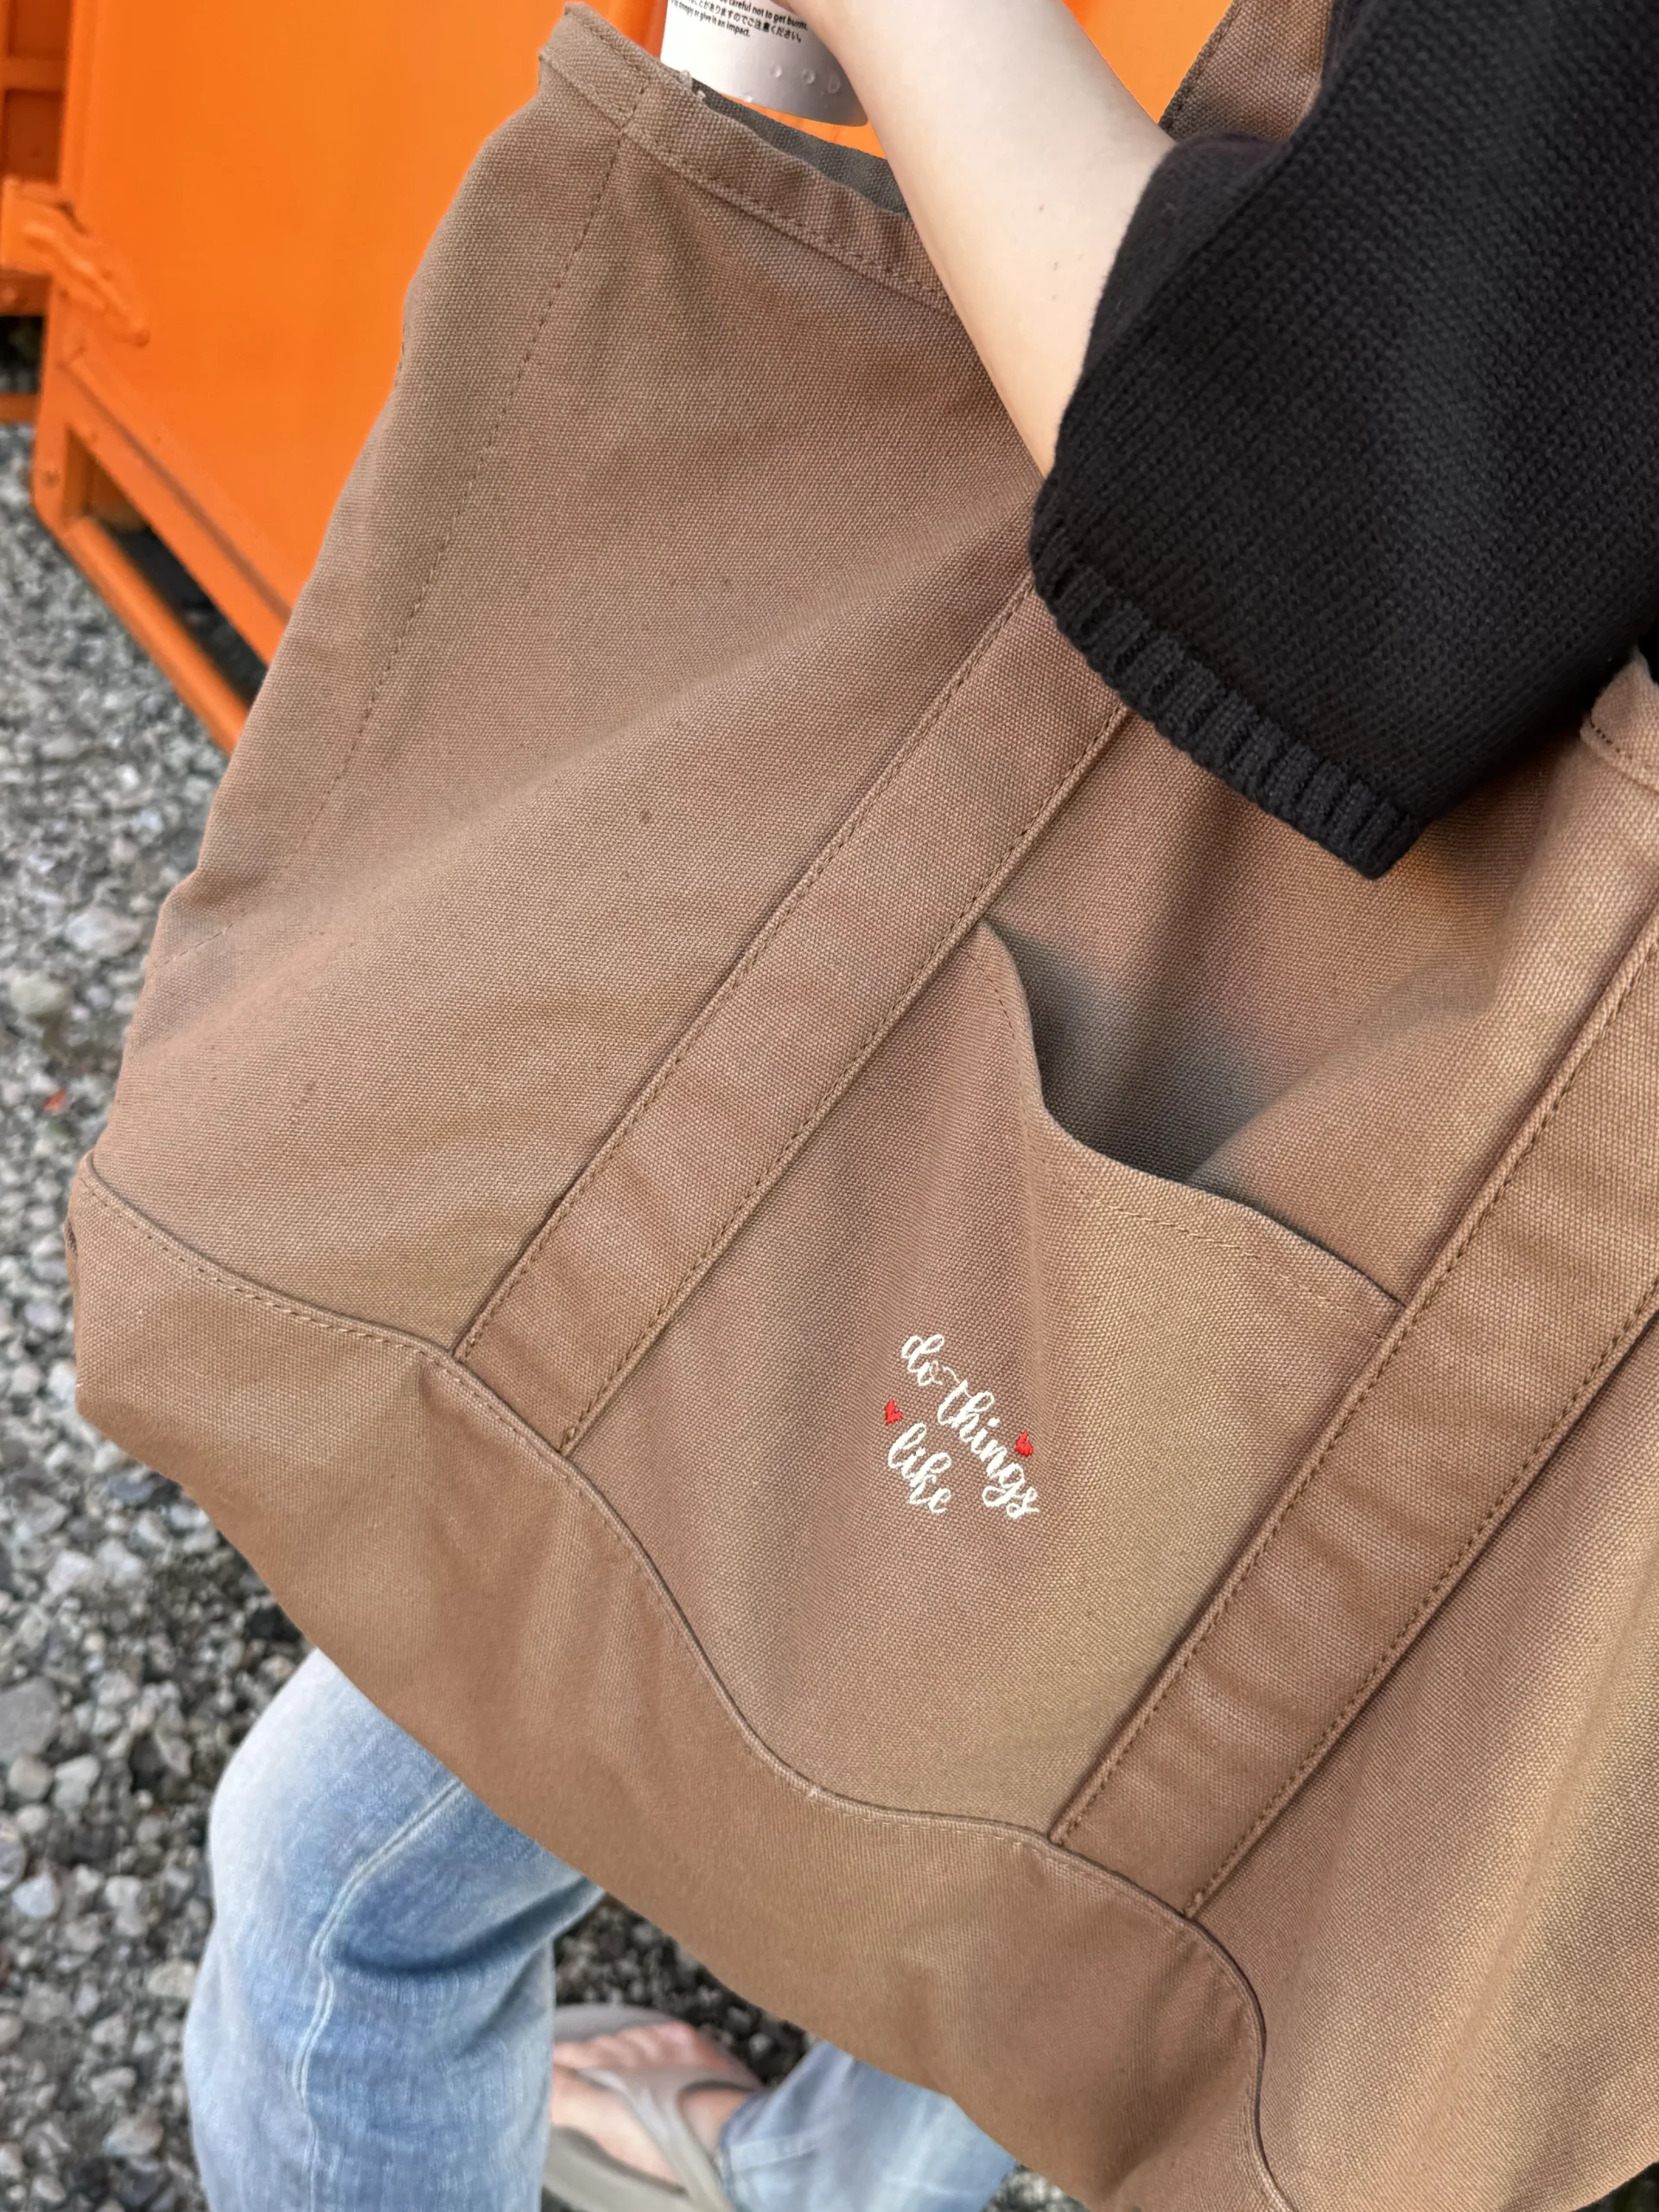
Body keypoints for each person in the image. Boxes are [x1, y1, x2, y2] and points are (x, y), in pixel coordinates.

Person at [181, 0, 1659, 2205]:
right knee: (1133, 1819)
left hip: (1264, 983)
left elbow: (1327, 532)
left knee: (343, 1895)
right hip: (1490, 1261)